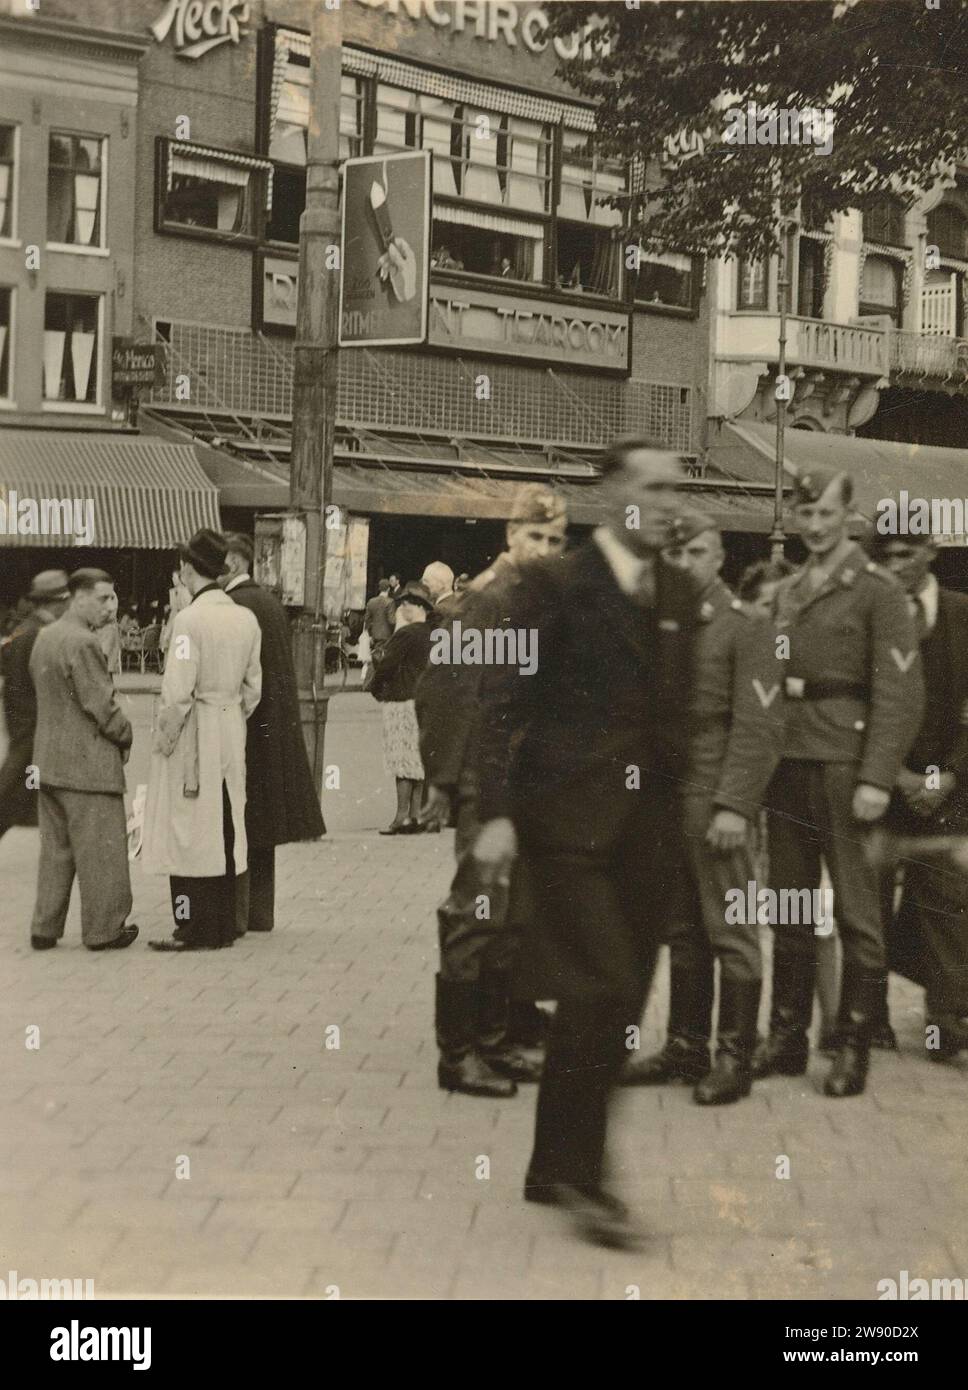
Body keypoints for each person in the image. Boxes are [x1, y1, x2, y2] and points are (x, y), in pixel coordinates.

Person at [474, 438, 698, 1250]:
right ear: (611, 493)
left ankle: (547, 1165)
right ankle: (591, 1181)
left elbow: (679, 716)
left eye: (679, 488)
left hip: (649, 830)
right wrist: (494, 814)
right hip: (566, 824)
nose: (671, 502)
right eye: (654, 487)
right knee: (601, 979)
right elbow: (500, 702)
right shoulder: (555, 583)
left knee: (612, 994)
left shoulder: (681, 590)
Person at [755, 466, 924, 1097]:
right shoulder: (788, 588)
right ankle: (786, 1038)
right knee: (790, 906)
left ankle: (853, 1044)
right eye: (807, 515)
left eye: (827, 514)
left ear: (849, 515)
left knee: (857, 911)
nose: (816, 526)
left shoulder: (878, 591)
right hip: (789, 763)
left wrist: (879, 775)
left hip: (847, 767)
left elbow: (900, 694)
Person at [622, 513, 784, 1104]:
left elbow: (759, 726)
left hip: (717, 800)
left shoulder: (746, 628)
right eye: (675, 553)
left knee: (732, 928)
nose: (683, 563)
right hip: (668, 801)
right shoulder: (666, 625)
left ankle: (735, 1058)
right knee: (683, 930)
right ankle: (685, 1048)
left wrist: (736, 805)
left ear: (718, 558)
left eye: (695, 551)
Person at [417, 485, 568, 1099]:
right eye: (535, 537)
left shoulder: (544, 600)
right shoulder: (485, 601)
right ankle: (459, 1055)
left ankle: (498, 1038)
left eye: (557, 540)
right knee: (477, 911)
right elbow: (446, 694)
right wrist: (445, 782)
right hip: (489, 782)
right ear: (511, 536)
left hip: (530, 782)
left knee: (516, 915)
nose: (546, 549)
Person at [866, 524, 968, 1062]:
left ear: (931, 551)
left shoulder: (962, 613)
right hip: (885, 781)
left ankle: (946, 1021)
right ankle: (869, 1017)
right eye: (888, 554)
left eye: (909, 552)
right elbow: (860, 703)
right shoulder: (873, 614)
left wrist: (948, 774)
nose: (898, 562)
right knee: (871, 901)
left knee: (947, 900)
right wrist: (897, 774)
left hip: (949, 785)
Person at [143, 529, 262, 953]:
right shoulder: (245, 618)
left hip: (196, 727)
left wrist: (164, 738)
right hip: (231, 725)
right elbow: (253, 688)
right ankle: (224, 923)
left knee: (188, 825)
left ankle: (191, 926)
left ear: (187, 570)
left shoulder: (188, 621)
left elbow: (177, 691)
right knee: (228, 819)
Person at [27, 569, 139, 952]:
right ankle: (104, 930)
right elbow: (102, 706)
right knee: (102, 851)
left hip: (49, 761)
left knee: (55, 852)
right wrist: (126, 734)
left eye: (113, 598)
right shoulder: (83, 642)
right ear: (79, 598)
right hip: (89, 767)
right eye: (104, 598)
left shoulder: (46, 637)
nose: (112, 606)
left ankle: (45, 927)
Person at [220, 533, 325, 934]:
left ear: (231, 561)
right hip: (273, 724)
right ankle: (261, 913)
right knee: (261, 823)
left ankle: (238, 913)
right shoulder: (267, 601)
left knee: (239, 819)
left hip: (247, 724)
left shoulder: (235, 604)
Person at [0, 571, 70, 842]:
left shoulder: (27, 628)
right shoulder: (41, 632)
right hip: (32, 722)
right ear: (58, 602)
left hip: (23, 719)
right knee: (11, 790)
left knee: (18, 787)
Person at [370, 581, 434, 836]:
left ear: (415, 606)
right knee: (416, 761)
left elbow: (386, 665)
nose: (401, 607)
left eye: (405, 603)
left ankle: (399, 818)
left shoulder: (405, 635)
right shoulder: (431, 632)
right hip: (423, 702)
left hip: (400, 700)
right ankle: (415, 816)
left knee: (400, 759)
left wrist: (375, 686)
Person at [364, 579, 395, 663]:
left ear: (379, 588)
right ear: (388, 589)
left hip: (374, 635)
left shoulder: (371, 601)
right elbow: (391, 621)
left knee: (375, 656)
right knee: (384, 658)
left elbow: (367, 619)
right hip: (386, 635)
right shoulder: (390, 602)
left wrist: (369, 634)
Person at [97, 589, 122, 678]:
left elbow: (110, 613)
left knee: (106, 657)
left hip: (108, 629)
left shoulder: (110, 595)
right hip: (104, 629)